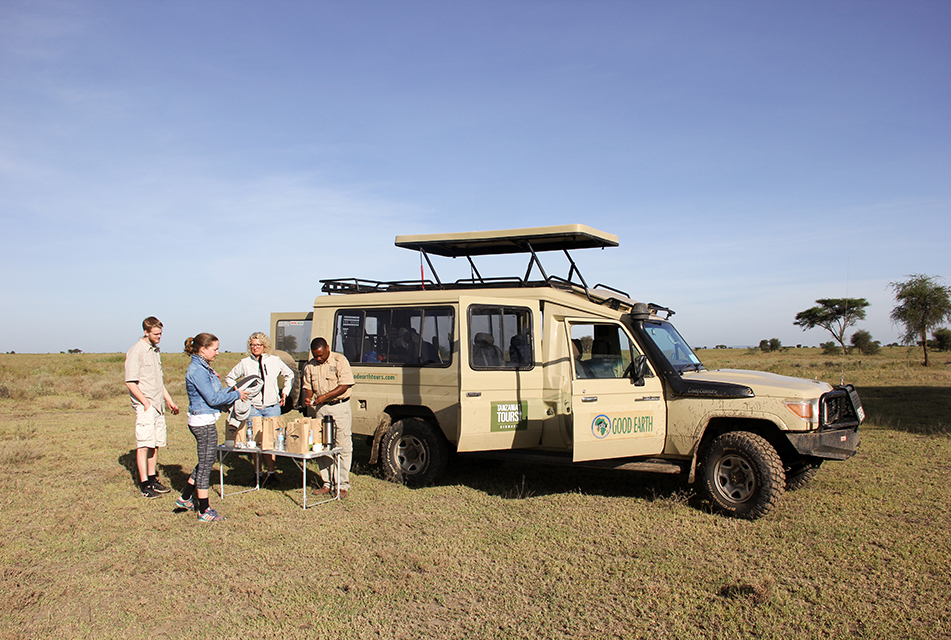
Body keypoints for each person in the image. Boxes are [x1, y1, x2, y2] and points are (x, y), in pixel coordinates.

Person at [178, 333, 249, 522]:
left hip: (204, 419)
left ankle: (185, 498)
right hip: (203, 422)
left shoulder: (202, 367)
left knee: (205, 459)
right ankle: (204, 510)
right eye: (214, 349)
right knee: (206, 464)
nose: (217, 353)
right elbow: (213, 399)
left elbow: (215, 393)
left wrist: (234, 391)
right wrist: (236, 395)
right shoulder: (198, 370)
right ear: (203, 349)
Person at [225, 332, 295, 486]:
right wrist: (238, 392)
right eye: (252, 345)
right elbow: (229, 377)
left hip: (272, 407)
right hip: (253, 408)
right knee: (254, 442)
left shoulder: (275, 361)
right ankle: (257, 474)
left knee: (271, 442)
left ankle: (271, 474)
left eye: (258, 345)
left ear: (265, 346)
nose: (255, 348)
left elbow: (289, 374)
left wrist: (285, 392)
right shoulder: (245, 362)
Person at [124, 316, 179, 498]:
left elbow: (158, 382)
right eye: (155, 334)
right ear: (145, 332)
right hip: (146, 405)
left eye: (160, 333)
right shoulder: (136, 351)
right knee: (144, 445)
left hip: (158, 405)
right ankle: (144, 484)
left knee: (155, 445)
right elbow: (130, 382)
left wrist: (169, 401)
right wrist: (145, 403)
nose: (159, 336)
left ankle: (153, 478)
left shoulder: (154, 351)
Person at [302, 337, 355, 499]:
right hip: (321, 409)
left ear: (327, 348)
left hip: (339, 407)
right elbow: (308, 386)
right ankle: (327, 483)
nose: (318, 358)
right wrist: (308, 397)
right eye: (315, 355)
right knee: (322, 446)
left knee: (342, 446)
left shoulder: (339, 360)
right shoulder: (310, 365)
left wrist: (325, 396)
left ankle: (342, 485)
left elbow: (344, 385)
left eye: (321, 355)